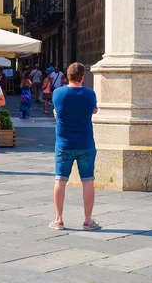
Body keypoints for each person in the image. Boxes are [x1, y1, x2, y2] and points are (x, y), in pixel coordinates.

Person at [50, 62, 100, 231]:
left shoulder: (58, 93)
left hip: (64, 144)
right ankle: (87, 220)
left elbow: (57, 111)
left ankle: (59, 220)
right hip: (85, 143)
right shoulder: (90, 94)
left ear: (67, 76)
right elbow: (94, 110)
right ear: (83, 77)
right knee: (88, 180)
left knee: (60, 180)